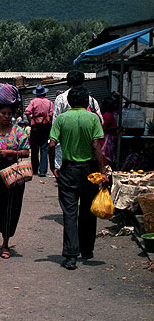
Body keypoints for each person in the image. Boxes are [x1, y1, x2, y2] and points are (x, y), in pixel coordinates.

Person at [49, 88, 107, 270]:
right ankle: (87, 250)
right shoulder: (93, 119)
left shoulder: (61, 119)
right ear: (87, 102)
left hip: (68, 170)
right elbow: (96, 146)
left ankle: (70, 256)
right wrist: (103, 171)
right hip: (89, 170)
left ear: (69, 101)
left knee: (70, 212)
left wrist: (53, 166)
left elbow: (51, 144)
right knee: (88, 210)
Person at [0, 104, 30, 259]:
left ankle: (5, 244)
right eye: (3, 113)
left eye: (9, 113)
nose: (6, 116)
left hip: (13, 172)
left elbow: (26, 151)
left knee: (11, 207)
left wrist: (11, 152)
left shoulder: (19, 131)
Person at [25, 85, 53, 177]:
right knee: (44, 148)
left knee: (34, 149)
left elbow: (27, 112)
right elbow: (52, 114)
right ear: (44, 93)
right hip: (45, 127)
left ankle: (35, 169)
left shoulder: (33, 101)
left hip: (35, 127)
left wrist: (31, 122)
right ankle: (43, 170)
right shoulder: (49, 102)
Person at [100, 97, 118, 167]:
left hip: (107, 139)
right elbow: (105, 128)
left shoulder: (112, 114)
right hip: (106, 140)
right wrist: (117, 128)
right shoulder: (108, 115)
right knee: (106, 159)